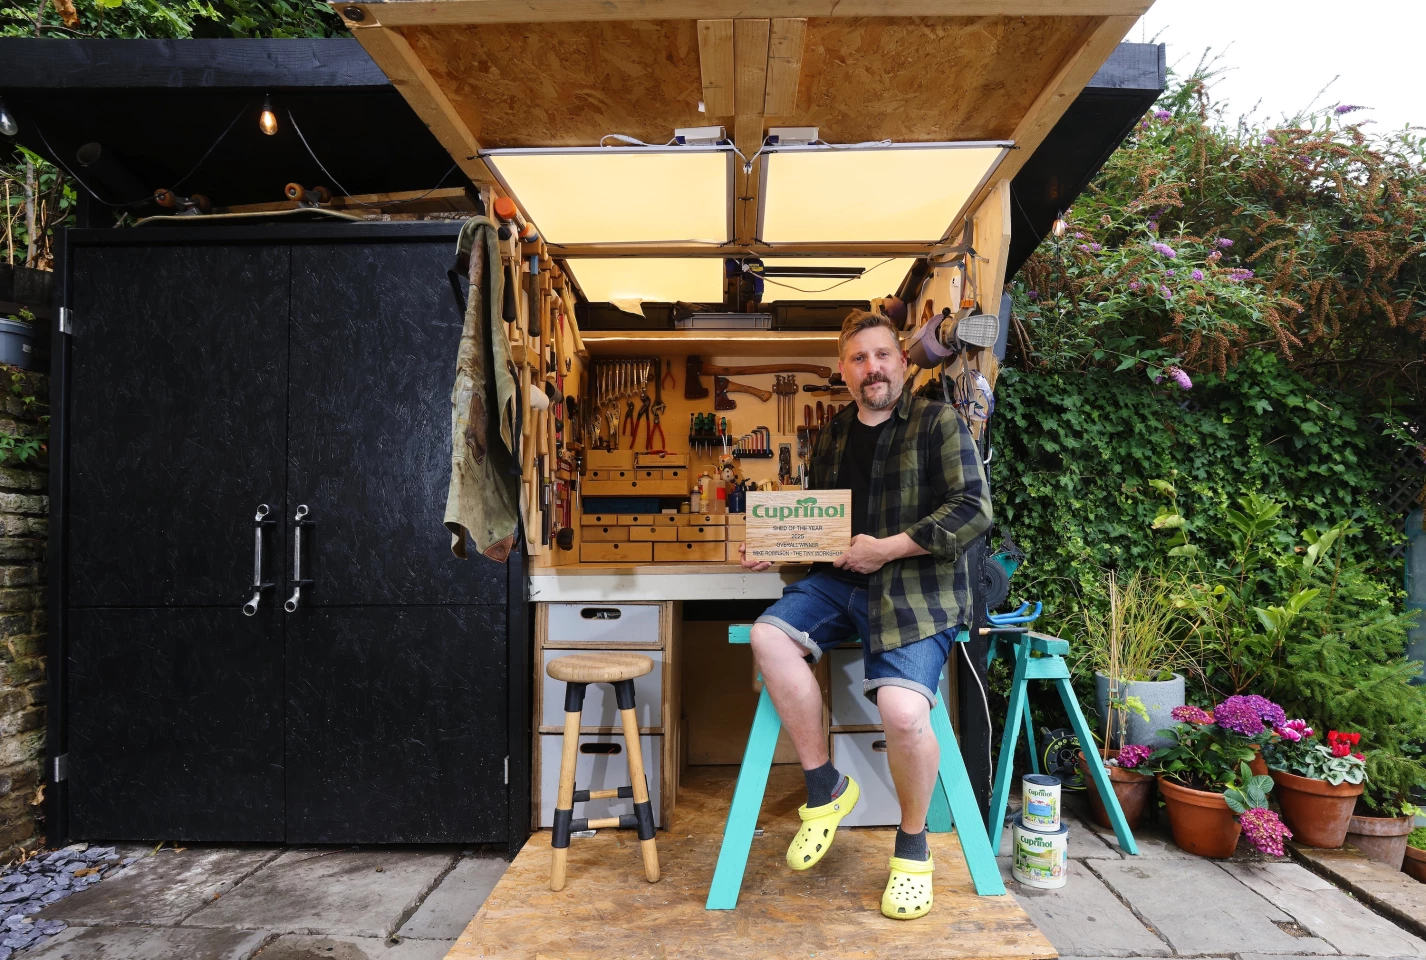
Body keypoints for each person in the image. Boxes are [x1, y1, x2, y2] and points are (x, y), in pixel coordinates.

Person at [739, 308, 991, 920]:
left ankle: (911, 850)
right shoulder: (829, 434)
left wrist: (890, 547)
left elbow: (973, 510)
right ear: (843, 371)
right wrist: (776, 545)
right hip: (839, 585)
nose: (871, 368)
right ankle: (827, 789)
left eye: (882, 355)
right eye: (858, 359)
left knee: (904, 715)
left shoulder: (939, 423)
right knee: (767, 638)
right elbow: (819, 520)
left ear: (903, 362)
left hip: (913, 588)